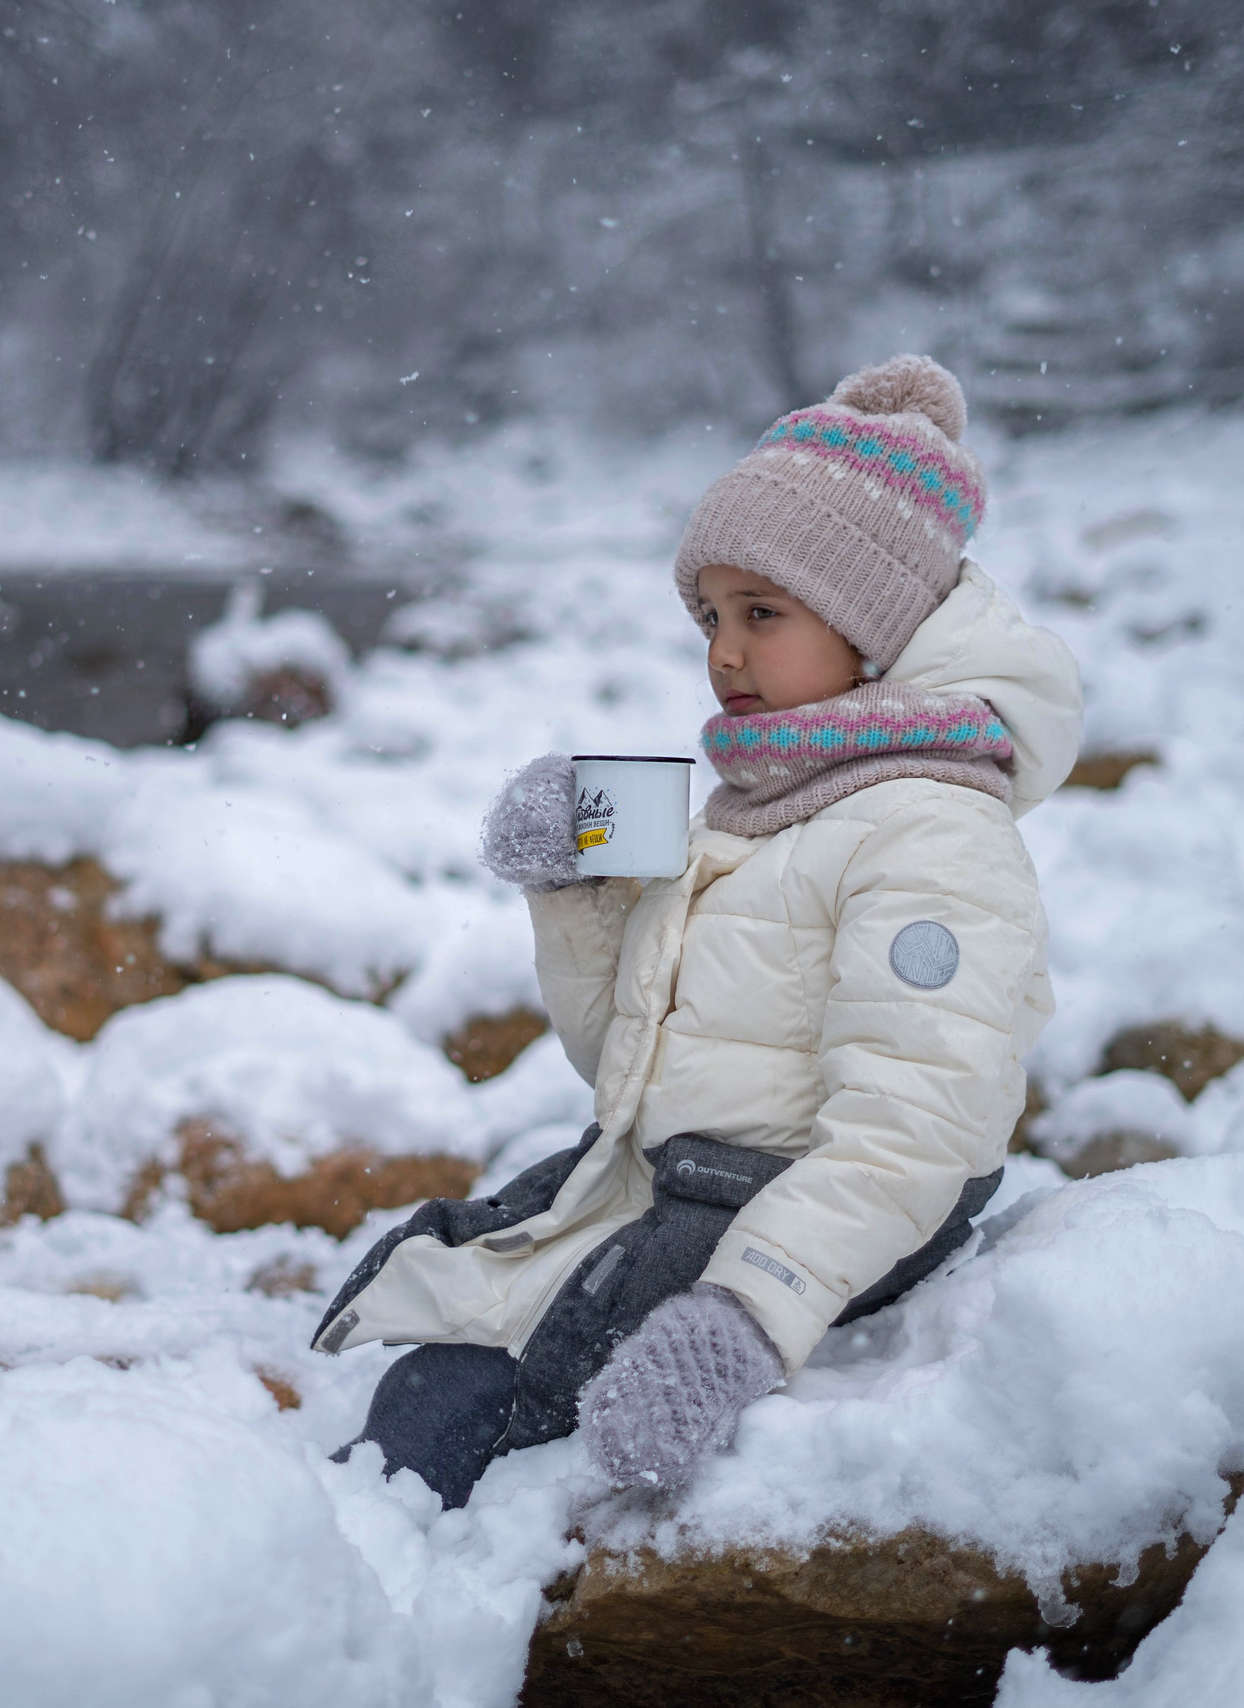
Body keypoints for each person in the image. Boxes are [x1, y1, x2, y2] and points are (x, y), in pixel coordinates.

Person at [315, 355, 1083, 1509]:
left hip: (831, 1204)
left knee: (478, 1385)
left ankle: (367, 1551)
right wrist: (576, 896)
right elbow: (629, 1073)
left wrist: (747, 1314)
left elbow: (915, 1130)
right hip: (700, 1169)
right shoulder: (765, 801)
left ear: (872, 629)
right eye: (710, 618)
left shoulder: (931, 828)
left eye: (761, 615)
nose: (723, 654)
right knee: (479, 1253)